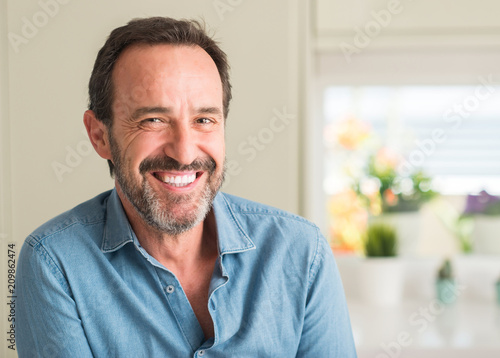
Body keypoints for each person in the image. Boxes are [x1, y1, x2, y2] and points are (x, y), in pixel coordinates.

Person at [16, 17, 357, 357]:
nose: (184, 152)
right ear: (99, 135)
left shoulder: (301, 253)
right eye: (153, 120)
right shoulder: (54, 264)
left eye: (203, 120)